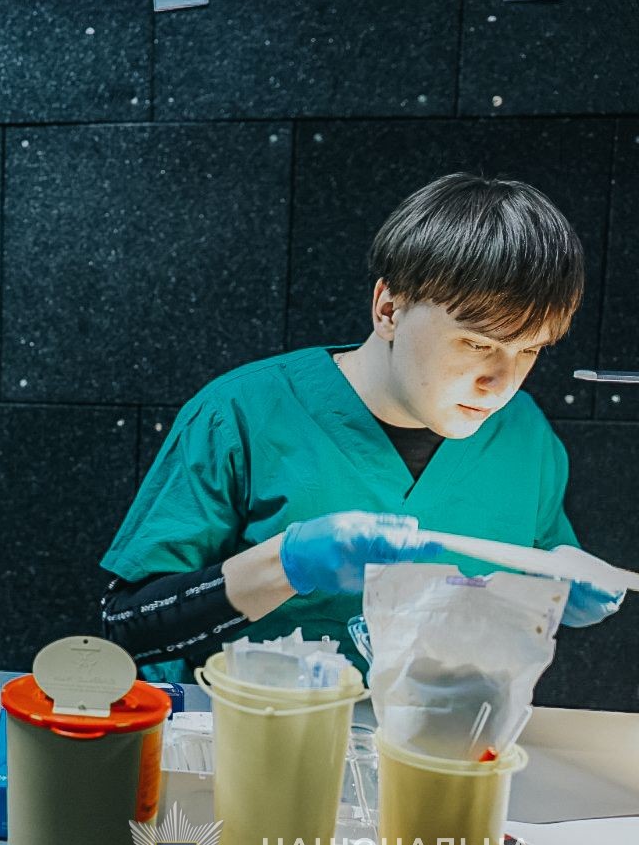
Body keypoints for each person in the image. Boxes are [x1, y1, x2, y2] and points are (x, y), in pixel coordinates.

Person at [96, 173, 625, 682]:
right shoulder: (240, 414)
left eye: (529, 350)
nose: (501, 384)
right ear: (389, 309)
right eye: (477, 343)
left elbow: (537, 579)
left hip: (443, 733)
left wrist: (557, 591)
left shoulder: (525, 436)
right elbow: (125, 627)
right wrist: (285, 564)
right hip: (259, 728)